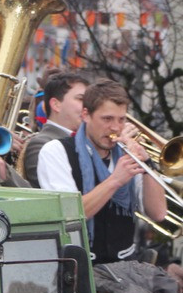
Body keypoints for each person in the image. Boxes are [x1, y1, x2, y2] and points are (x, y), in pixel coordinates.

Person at [37, 79, 167, 262]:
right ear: (86, 115)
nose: (115, 127)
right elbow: (69, 216)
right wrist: (115, 180)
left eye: (121, 119)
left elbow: (159, 213)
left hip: (127, 268)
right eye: (107, 119)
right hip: (78, 269)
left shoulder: (126, 156)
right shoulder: (55, 151)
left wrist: (147, 165)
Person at [23, 71, 90, 188]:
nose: (87, 107)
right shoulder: (41, 144)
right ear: (56, 105)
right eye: (80, 99)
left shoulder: (87, 140)